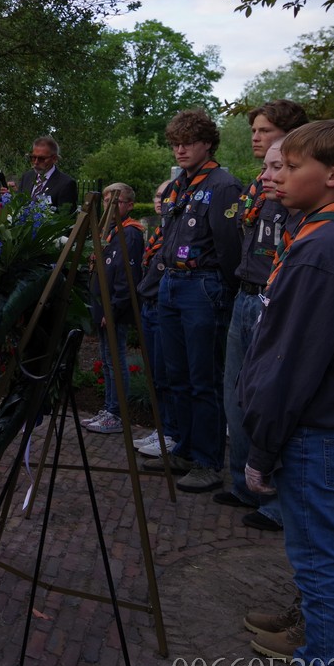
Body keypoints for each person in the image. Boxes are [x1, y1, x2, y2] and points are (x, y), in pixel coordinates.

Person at [238, 119, 334, 666]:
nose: (279, 176)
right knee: (318, 562)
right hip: (322, 423)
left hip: (314, 430)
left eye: (293, 167)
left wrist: (262, 446)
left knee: (320, 568)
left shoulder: (325, 248)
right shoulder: (328, 236)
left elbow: (293, 361)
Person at [216, 100, 307, 532]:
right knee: (235, 393)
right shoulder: (259, 185)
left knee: (267, 398)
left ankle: (275, 502)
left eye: (265, 130)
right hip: (245, 292)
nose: (256, 136)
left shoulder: (297, 191)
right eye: (254, 129)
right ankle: (243, 485)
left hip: (272, 299)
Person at [149, 110, 242, 493]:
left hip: (202, 286)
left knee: (204, 379)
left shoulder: (223, 185)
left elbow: (230, 247)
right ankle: (185, 450)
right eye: (175, 143)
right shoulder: (179, 185)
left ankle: (207, 461)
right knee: (177, 375)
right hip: (172, 283)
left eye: (188, 142)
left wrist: (223, 289)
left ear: (207, 143)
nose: (181, 149)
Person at [83, 183, 146, 435]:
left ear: (129, 205)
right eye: (107, 201)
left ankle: (116, 413)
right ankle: (109, 408)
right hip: (102, 306)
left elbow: (125, 275)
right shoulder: (109, 231)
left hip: (114, 308)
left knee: (115, 360)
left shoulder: (130, 234)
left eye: (116, 202)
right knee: (107, 360)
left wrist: (114, 308)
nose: (109, 206)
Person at [130, 179, 176, 458]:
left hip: (162, 305)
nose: (161, 200)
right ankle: (161, 428)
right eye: (158, 195)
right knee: (155, 374)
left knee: (166, 374)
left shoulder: (175, 230)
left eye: (166, 196)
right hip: (149, 304)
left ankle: (170, 433)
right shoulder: (160, 229)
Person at [16, 136, 78, 209]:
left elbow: (66, 214)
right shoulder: (27, 177)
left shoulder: (66, 184)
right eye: (33, 157)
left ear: (54, 159)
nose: (36, 162)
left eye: (41, 159)